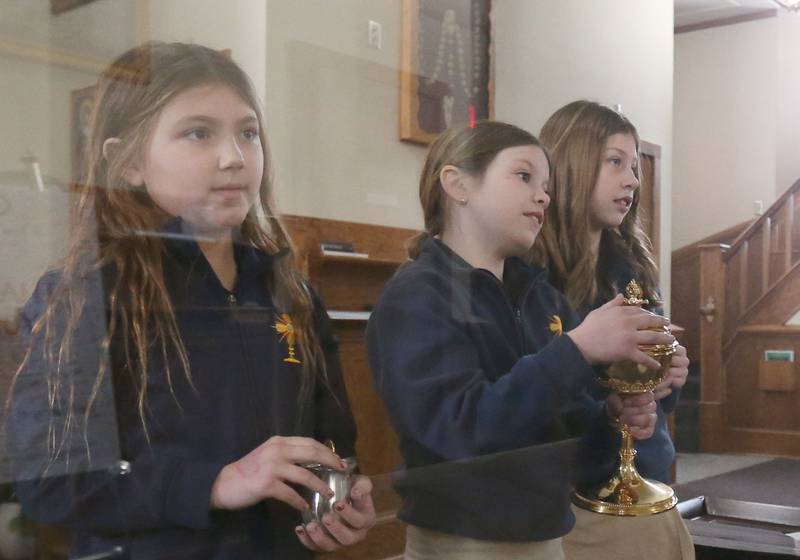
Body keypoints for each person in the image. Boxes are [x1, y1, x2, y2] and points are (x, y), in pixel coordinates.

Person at [6, 42, 375, 559]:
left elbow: (333, 438)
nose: (234, 157)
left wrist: (340, 493)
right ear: (128, 163)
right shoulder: (85, 295)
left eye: (248, 133)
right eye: (198, 133)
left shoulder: (292, 294)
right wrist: (213, 484)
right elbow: (48, 479)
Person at [366, 120, 674, 559]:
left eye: (546, 186)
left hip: (546, 532)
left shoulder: (541, 297)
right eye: (524, 176)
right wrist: (577, 350)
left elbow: (562, 429)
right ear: (457, 184)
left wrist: (612, 417)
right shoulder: (419, 296)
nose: (543, 196)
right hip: (464, 540)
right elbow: (461, 428)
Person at [530, 99, 693, 559]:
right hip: (571, 491)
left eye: (634, 166)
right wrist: (607, 406)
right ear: (572, 165)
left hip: (646, 472)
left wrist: (669, 373)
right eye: (615, 162)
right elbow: (533, 386)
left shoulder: (633, 266)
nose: (632, 180)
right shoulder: (532, 270)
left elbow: (655, 388)